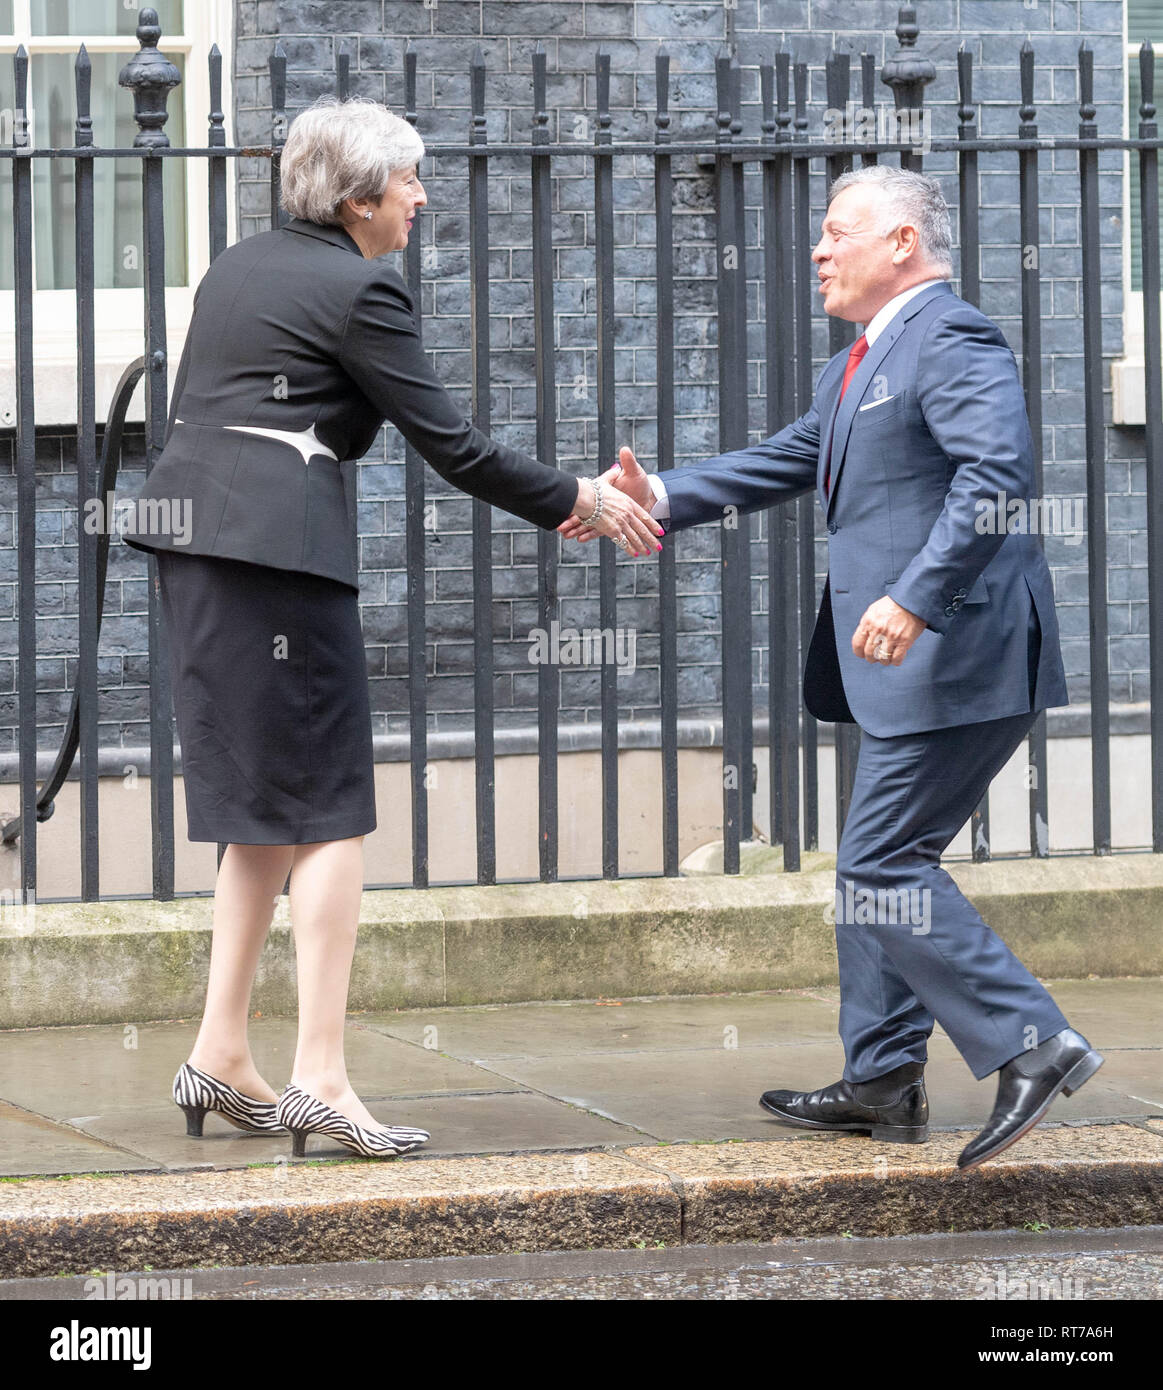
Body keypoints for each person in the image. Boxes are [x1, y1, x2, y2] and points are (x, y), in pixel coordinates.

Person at [123, 95, 664, 1161]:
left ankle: (219, 1051)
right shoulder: (364, 286)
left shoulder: (239, 264)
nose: (421, 199)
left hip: (195, 547)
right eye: (409, 181)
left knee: (262, 808)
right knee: (328, 805)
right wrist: (581, 499)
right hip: (278, 559)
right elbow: (450, 444)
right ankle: (319, 1073)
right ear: (360, 195)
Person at [561, 164, 1103, 1171]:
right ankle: (883, 1072)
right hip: (913, 663)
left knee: (877, 866)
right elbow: (783, 459)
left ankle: (1032, 1042)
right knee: (874, 866)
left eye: (835, 231)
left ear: (901, 242)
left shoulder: (949, 336)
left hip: (958, 650)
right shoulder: (854, 362)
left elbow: (999, 478)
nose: (816, 249)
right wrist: (653, 495)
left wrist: (912, 595)